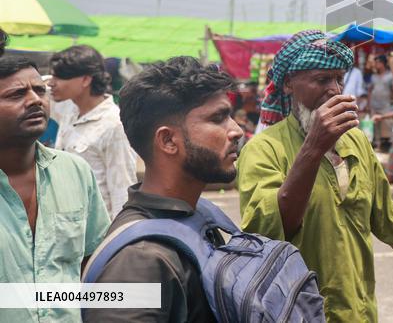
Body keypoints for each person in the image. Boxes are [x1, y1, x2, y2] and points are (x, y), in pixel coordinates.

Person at [238, 30, 393, 322]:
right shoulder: (263, 150)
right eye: (321, 79)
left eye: (338, 79)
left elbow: (387, 217)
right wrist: (313, 149)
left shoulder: (355, 141)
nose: (334, 90)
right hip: (296, 313)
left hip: (358, 310)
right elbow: (268, 231)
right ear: (287, 84)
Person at [84, 56, 243, 322]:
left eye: (230, 116)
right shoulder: (140, 260)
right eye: (218, 118)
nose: (236, 130)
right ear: (168, 140)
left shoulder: (195, 215)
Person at [0, 55, 110, 323]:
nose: (35, 100)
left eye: (40, 90)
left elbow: (94, 260)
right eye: (16, 94)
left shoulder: (75, 171)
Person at [48, 45, 137, 218]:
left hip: (96, 228)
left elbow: (122, 189)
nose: (52, 83)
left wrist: (119, 231)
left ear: (85, 80)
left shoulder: (114, 125)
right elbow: (36, 86)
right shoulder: (68, 109)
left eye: (59, 77)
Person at [367, 54, 393, 152]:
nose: (375, 65)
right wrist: (368, 104)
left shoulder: (390, 76)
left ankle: (390, 145)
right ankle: (377, 145)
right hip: (374, 105)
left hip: (386, 105)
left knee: (387, 125)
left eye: (377, 62)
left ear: (383, 64)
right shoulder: (373, 76)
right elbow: (370, 90)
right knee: (375, 126)